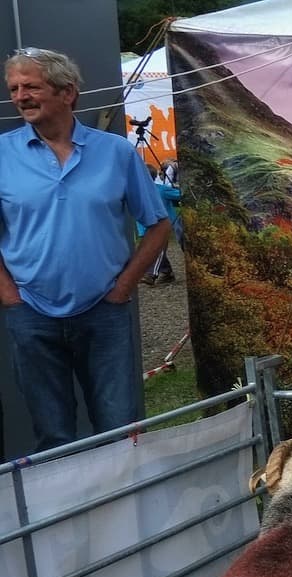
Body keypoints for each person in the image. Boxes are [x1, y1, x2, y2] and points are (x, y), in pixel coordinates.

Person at [0, 48, 169, 452]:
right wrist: (10, 297)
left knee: (120, 430)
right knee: (53, 436)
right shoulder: (2, 154)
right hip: (32, 313)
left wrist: (123, 287)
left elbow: (159, 225)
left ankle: (126, 510)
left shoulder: (116, 151)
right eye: (14, 89)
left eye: (31, 87)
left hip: (104, 312)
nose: (20, 96)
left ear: (68, 92)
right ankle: (69, 514)